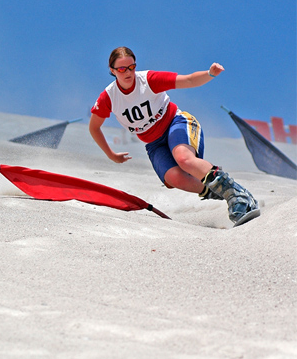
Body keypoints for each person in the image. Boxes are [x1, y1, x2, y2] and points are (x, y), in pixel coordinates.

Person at [89, 46, 259, 226]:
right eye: (122, 69)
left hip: (176, 123)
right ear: (112, 70)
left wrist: (210, 73)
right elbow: (94, 127)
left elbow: (189, 80)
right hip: (154, 143)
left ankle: (238, 196)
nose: (128, 72)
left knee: (184, 159)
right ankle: (230, 195)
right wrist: (111, 154)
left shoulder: (148, 80)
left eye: (131, 67)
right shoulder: (109, 97)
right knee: (174, 178)